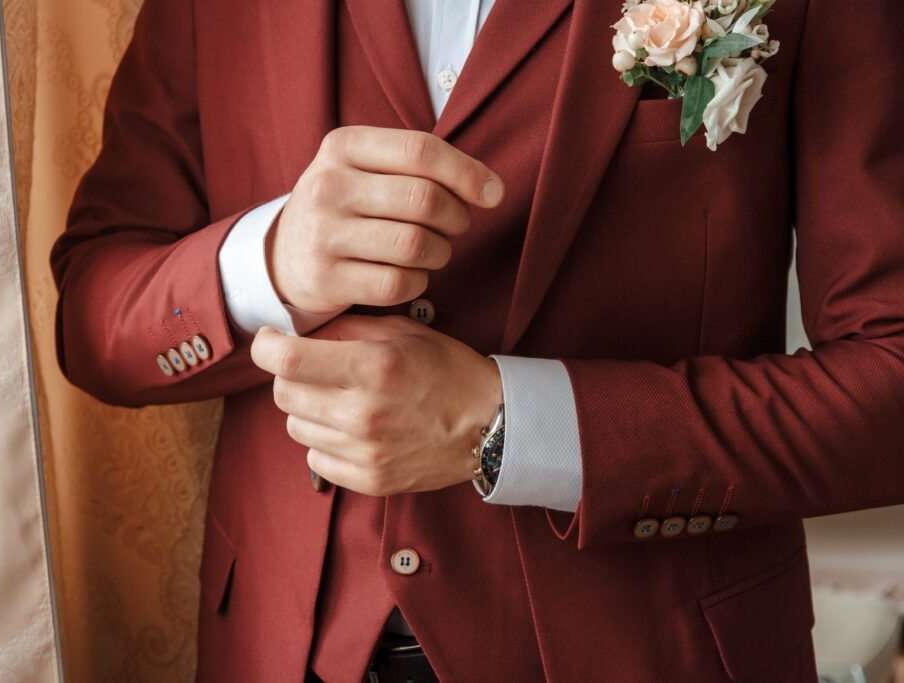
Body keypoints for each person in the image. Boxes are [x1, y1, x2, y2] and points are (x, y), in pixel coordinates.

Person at [51, 0, 904, 680]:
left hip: (655, 649)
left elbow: (890, 378)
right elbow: (95, 321)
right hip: (284, 647)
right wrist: (269, 262)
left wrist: (506, 424)